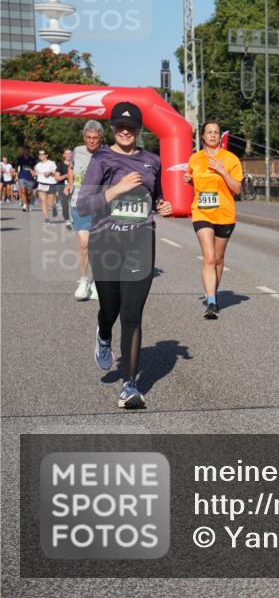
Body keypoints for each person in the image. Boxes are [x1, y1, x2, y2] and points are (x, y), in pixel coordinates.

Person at [77, 101, 173, 410]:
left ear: (139, 129)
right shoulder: (101, 160)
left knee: (132, 313)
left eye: (131, 126)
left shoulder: (152, 161)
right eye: (120, 125)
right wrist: (116, 190)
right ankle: (104, 335)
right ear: (113, 128)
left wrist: (163, 206)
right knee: (110, 309)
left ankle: (130, 385)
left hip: (140, 240)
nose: (125, 130)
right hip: (105, 241)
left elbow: (157, 197)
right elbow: (84, 205)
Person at [183, 119, 244, 320]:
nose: (212, 135)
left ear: (219, 136)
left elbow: (237, 189)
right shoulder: (195, 159)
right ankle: (211, 302)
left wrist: (222, 170)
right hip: (202, 213)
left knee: (218, 259)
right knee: (208, 257)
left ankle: (213, 293)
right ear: (202, 136)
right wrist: (189, 181)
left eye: (215, 132)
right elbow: (196, 183)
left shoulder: (231, 159)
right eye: (208, 132)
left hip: (225, 214)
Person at [69, 120, 104, 301]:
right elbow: (71, 168)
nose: (91, 141)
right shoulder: (77, 151)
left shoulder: (107, 153)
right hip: (78, 203)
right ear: (84, 137)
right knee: (84, 244)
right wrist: (69, 184)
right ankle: (83, 280)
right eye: (88, 138)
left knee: (98, 246)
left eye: (95, 138)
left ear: (101, 138)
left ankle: (97, 283)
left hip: (99, 205)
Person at [34, 150, 58, 223]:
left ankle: (53, 206)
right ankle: (46, 217)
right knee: (43, 201)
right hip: (41, 184)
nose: (41, 155)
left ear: (46, 155)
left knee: (50, 203)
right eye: (39, 154)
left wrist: (50, 172)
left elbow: (55, 172)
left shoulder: (52, 163)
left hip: (51, 184)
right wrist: (34, 174)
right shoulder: (37, 165)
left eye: (42, 154)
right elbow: (37, 174)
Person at [54, 149, 72, 226]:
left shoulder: (75, 164)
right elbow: (56, 178)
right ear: (64, 155)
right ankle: (67, 219)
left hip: (73, 186)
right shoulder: (60, 165)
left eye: (70, 153)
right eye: (66, 153)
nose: (68, 155)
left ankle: (74, 218)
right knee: (65, 204)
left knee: (74, 204)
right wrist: (65, 176)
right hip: (62, 186)